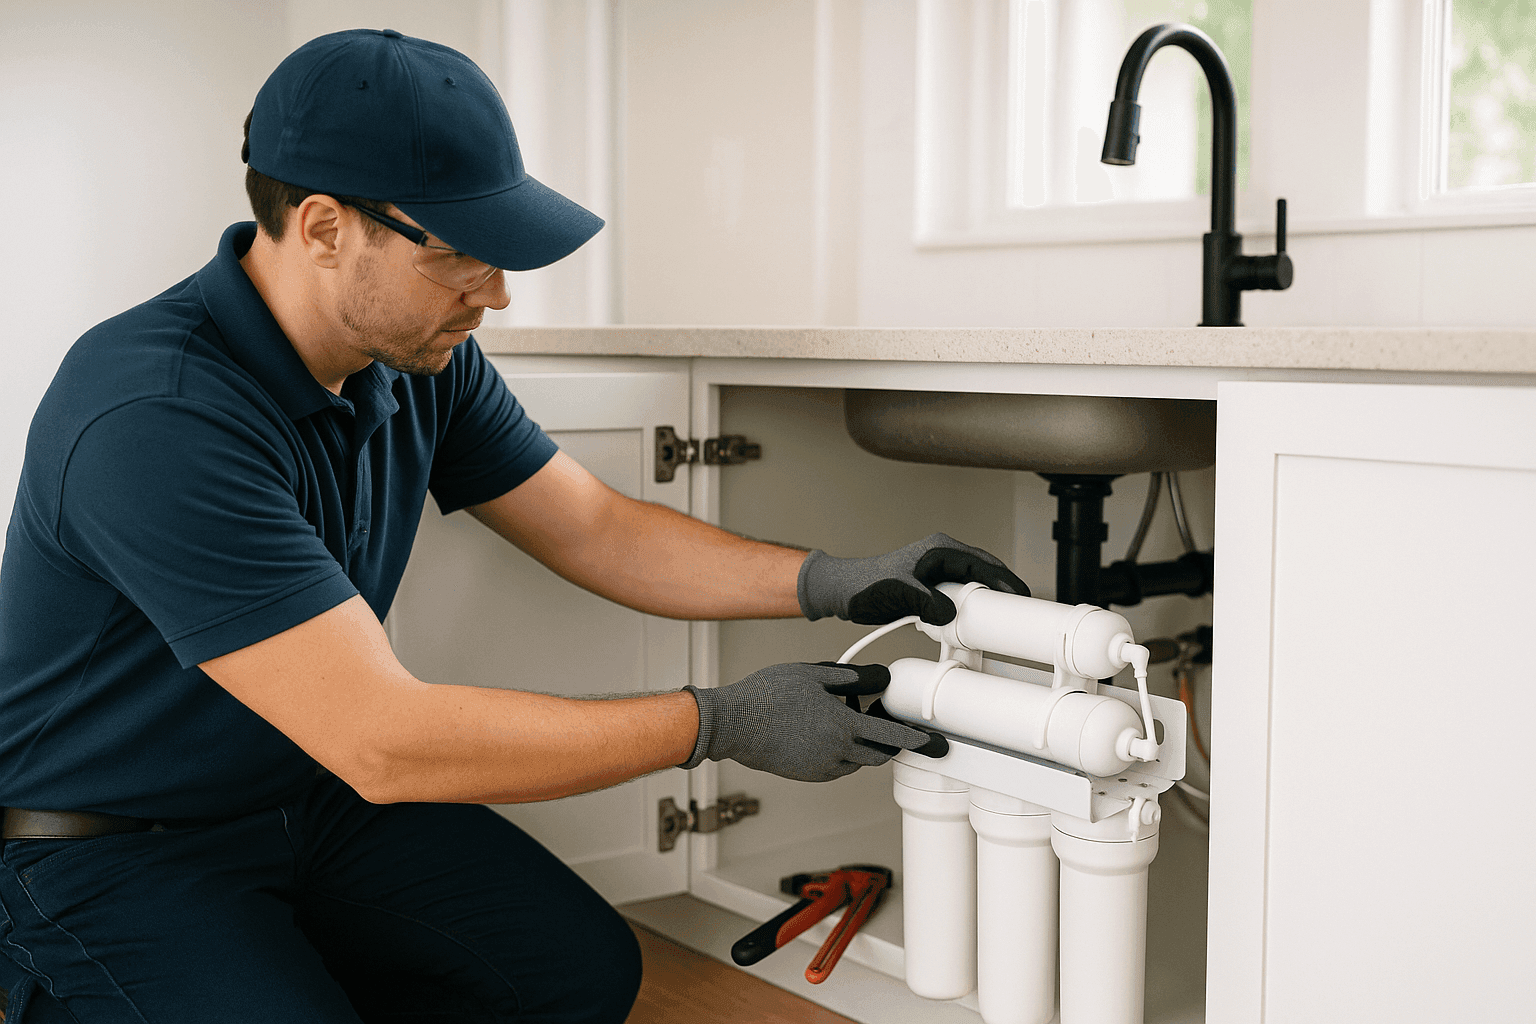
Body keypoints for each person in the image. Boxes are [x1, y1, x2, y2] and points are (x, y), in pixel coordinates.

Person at [0, 29, 1027, 1024]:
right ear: (321, 227)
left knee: (573, 975)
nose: (493, 294)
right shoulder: (157, 412)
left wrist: (838, 579)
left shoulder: (412, 358)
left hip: (301, 801)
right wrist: (720, 721)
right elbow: (385, 741)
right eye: (460, 255)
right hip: (108, 847)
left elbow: (597, 529)